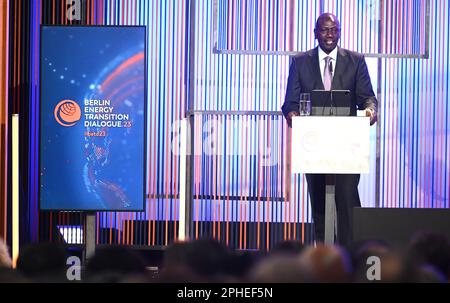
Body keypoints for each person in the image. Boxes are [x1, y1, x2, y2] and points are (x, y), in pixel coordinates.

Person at [282, 13, 378, 246]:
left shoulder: (355, 61)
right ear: (316, 33)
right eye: (324, 30)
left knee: (346, 203)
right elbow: (289, 104)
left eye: (334, 30)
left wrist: (370, 112)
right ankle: (323, 258)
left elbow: (368, 99)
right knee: (320, 205)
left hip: (347, 148)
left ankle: (350, 256)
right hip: (313, 146)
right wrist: (294, 116)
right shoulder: (300, 62)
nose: (330, 35)